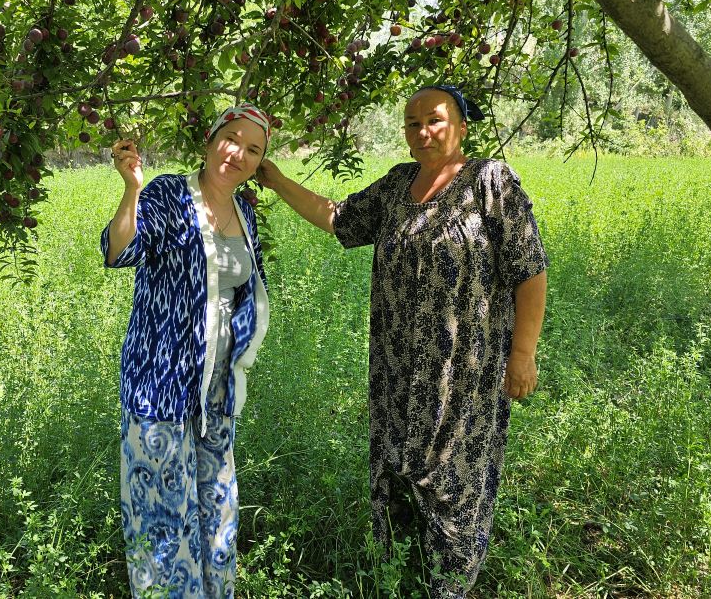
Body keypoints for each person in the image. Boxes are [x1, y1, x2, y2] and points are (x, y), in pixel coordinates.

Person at [256, 85, 548, 596]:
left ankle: (450, 588)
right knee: (398, 475)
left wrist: (522, 354)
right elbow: (338, 219)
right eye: (413, 123)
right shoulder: (396, 185)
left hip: (465, 375)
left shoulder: (490, 182)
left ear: (461, 126)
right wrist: (277, 180)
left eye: (434, 120)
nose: (423, 132)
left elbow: (530, 271)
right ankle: (400, 580)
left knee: (457, 486)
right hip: (396, 371)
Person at [101, 104, 272, 598]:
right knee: (162, 513)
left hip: (216, 388)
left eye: (253, 149)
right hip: (161, 381)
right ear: (211, 140)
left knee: (216, 508)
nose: (238, 153)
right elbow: (120, 251)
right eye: (232, 139)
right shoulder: (168, 194)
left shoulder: (244, 214)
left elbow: (246, 293)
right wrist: (132, 189)